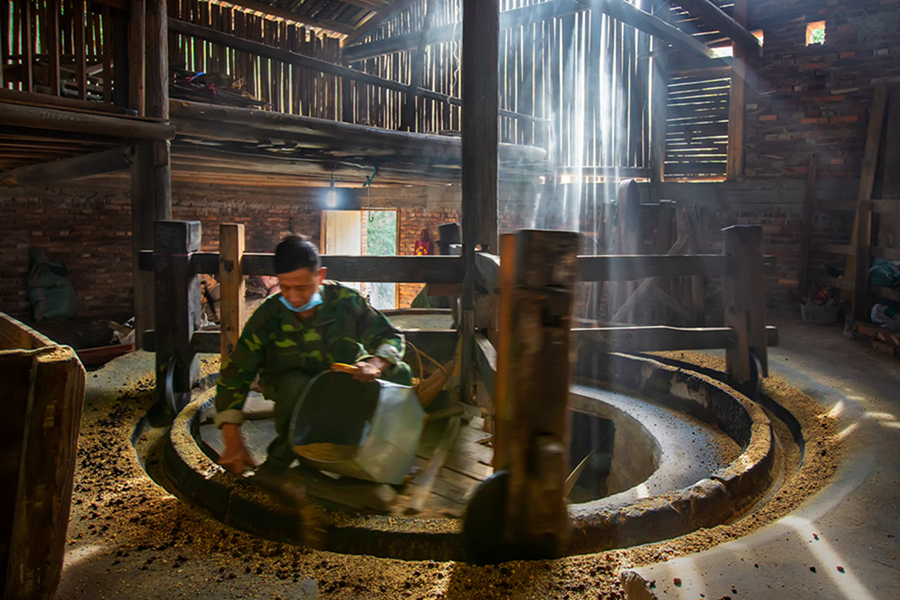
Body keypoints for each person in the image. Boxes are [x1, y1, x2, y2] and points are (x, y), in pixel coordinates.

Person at [214, 234, 412, 474]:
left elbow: (390, 336)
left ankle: (389, 456)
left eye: (302, 288)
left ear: (321, 277)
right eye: (285, 288)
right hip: (291, 389)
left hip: (342, 380)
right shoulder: (269, 316)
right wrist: (232, 441)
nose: (294, 298)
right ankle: (281, 459)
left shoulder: (345, 302)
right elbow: (235, 374)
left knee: (399, 372)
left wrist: (376, 364)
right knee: (295, 386)